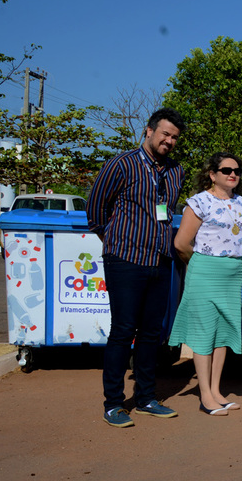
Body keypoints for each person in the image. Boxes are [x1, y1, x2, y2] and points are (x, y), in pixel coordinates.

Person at [87, 107, 186, 427]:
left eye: (174, 137)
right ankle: (114, 403)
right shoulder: (122, 163)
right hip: (125, 260)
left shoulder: (175, 171)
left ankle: (145, 397)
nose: (169, 141)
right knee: (123, 331)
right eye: (164, 134)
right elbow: (96, 208)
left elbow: (166, 211)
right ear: (149, 131)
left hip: (160, 260)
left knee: (151, 334)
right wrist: (116, 240)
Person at [168, 152, 242, 416]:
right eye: (226, 169)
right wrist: (202, 264)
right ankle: (205, 395)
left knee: (222, 333)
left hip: (232, 272)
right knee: (204, 332)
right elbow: (181, 243)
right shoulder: (199, 202)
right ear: (212, 174)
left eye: (237, 171)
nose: (233, 174)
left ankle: (216, 391)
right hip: (204, 269)